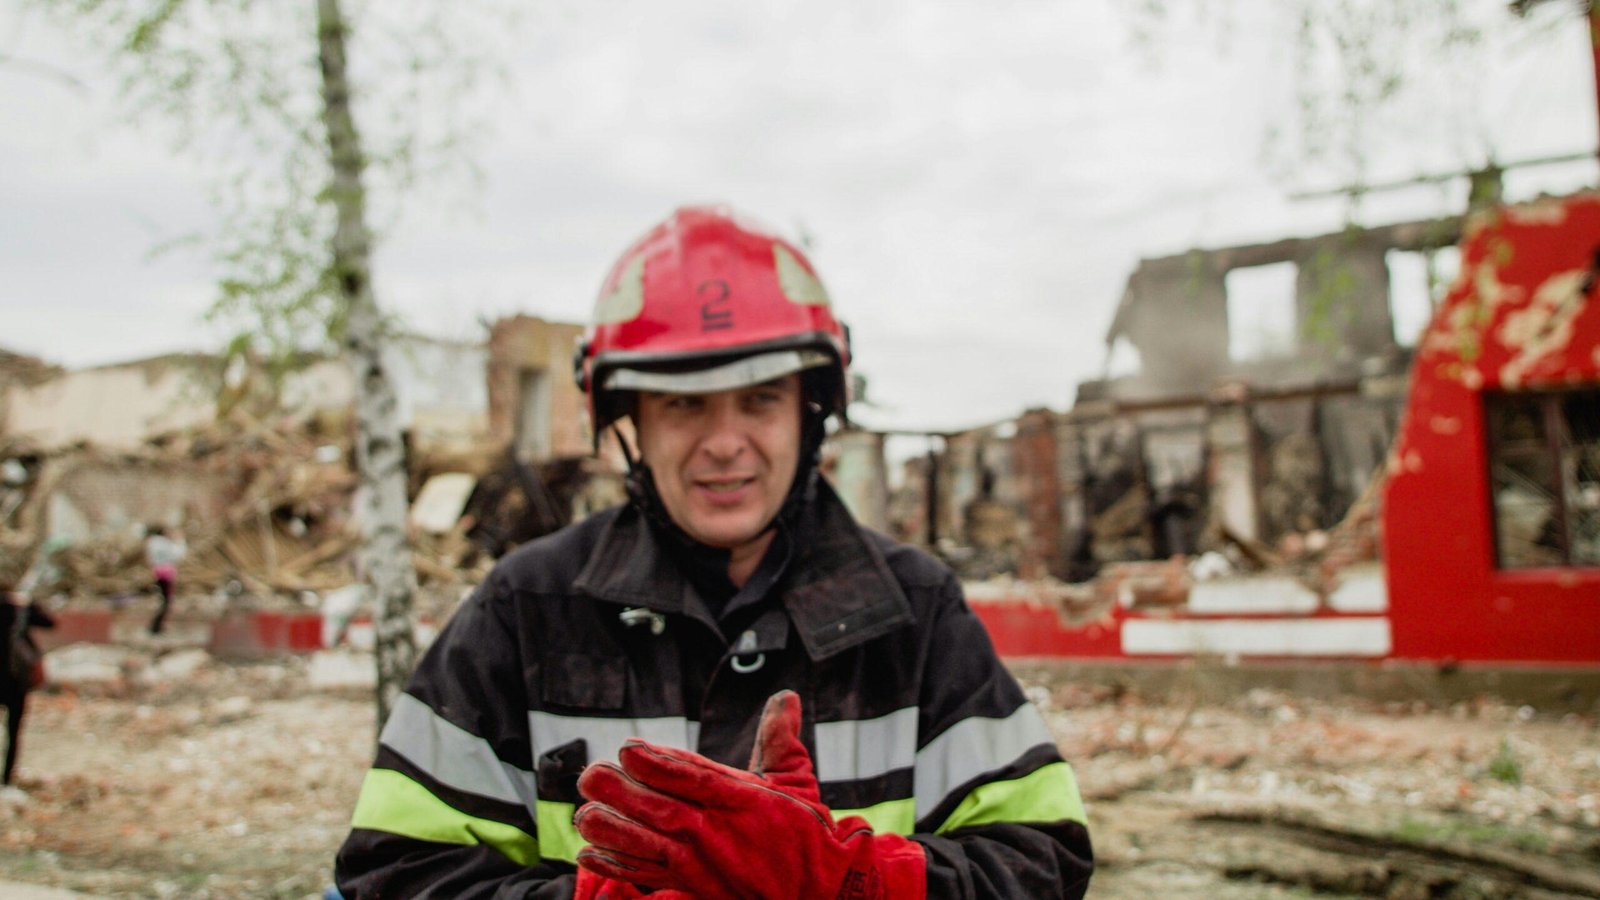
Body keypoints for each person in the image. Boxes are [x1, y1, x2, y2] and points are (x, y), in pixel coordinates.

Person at [334, 206, 1094, 898]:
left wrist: (850, 882)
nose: (725, 443)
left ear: (812, 411)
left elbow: (1042, 860)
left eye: (761, 398)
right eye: (683, 403)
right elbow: (395, 871)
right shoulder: (527, 607)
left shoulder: (912, 611)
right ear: (629, 419)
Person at [2, 587, 56, 787]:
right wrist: (28, 603)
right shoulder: (19, 609)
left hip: (14, 680)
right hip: (16, 682)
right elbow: (50, 622)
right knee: (13, 732)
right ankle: (6, 781)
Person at [143, 524, 186, 635]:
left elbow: (150, 559)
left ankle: (156, 626)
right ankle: (156, 627)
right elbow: (176, 554)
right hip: (166, 573)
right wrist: (180, 541)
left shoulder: (151, 543)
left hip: (157, 572)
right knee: (166, 602)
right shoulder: (164, 544)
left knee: (163, 600)